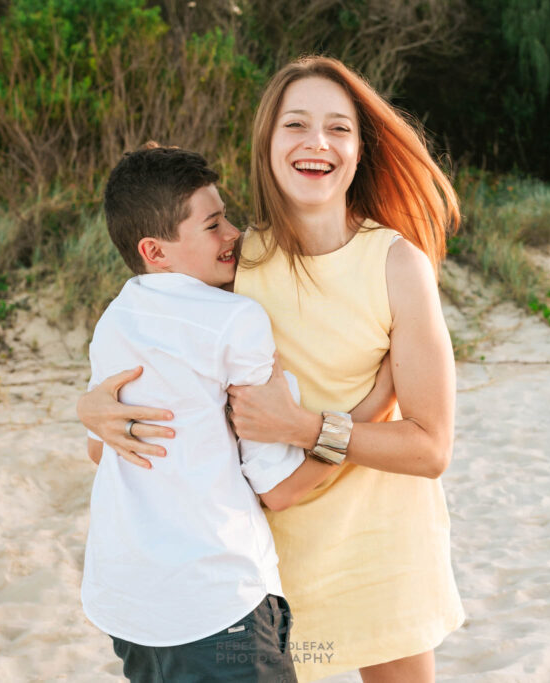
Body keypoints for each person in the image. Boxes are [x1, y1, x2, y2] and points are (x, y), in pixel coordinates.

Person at [78, 57, 465, 683]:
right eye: (297, 124)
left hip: (381, 547)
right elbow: (153, 386)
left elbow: (430, 447)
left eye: (339, 128)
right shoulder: (233, 261)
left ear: (360, 149)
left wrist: (305, 428)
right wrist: (90, 411)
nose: (318, 142)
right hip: (269, 565)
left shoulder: (398, 264)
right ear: (267, 142)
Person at [82, 144, 395, 683]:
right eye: (213, 225)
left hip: (127, 606)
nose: (234, 233)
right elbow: (280, 489)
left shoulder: (115, 319)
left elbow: (99, 447)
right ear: (155, 251)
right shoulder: (235, 320)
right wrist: (375, 404)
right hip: (217, 605)